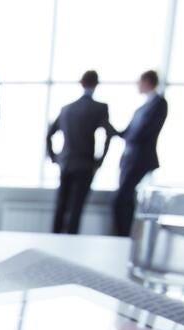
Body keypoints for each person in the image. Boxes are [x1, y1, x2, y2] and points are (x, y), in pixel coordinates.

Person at [46, 70, 117, 234]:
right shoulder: (99, 108)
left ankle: (54, 239)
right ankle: (70, 243)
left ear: (81, 83)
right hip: (85, 165)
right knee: (76, 209)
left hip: (66, 163)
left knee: (61, 206)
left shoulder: (67, 109)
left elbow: (49, 135)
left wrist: (55, 157)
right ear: (96, 84)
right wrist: (100, 161)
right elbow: (109, 135)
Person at [113, 70, 168, 236]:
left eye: (140, 81)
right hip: (129, 158)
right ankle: (124, 235)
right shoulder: (142, 108)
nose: (138, 85)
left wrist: (131, 137)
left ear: (147, 81)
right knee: (125, 199)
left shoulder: (159, 103)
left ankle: (125, 235)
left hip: (141, 159)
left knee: (121, 199)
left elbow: (145, 132)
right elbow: (127, 132)